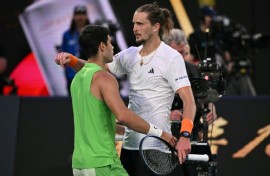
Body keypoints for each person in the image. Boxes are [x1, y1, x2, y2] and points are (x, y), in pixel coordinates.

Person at [55, 2, 196, 176]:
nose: (135, 28)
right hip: (129, 147)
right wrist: (73, 61)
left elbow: (189, 101)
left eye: (140, 24)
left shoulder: (172, 57)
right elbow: (95, 70)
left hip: (155, 146)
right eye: (133, 23)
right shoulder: (129, 55)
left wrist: (185, 135)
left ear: (155, 27)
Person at [163, 28, 218, 176]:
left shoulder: (194, 70)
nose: (181, 57)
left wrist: (211, 107)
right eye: (177, 53)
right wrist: (166, 114)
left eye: (184, 53)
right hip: (161, 140)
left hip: (190, 137)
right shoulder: (155, 72)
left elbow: (205, 96)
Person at [61, 5, 91, 93]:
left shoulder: (93, 33)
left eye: (82, 14)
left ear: (86, 16)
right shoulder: (67, 35)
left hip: (89, 75)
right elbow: (63, 53)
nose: (80, 17)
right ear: (74, 16)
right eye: (78, 14)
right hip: (72, 76)